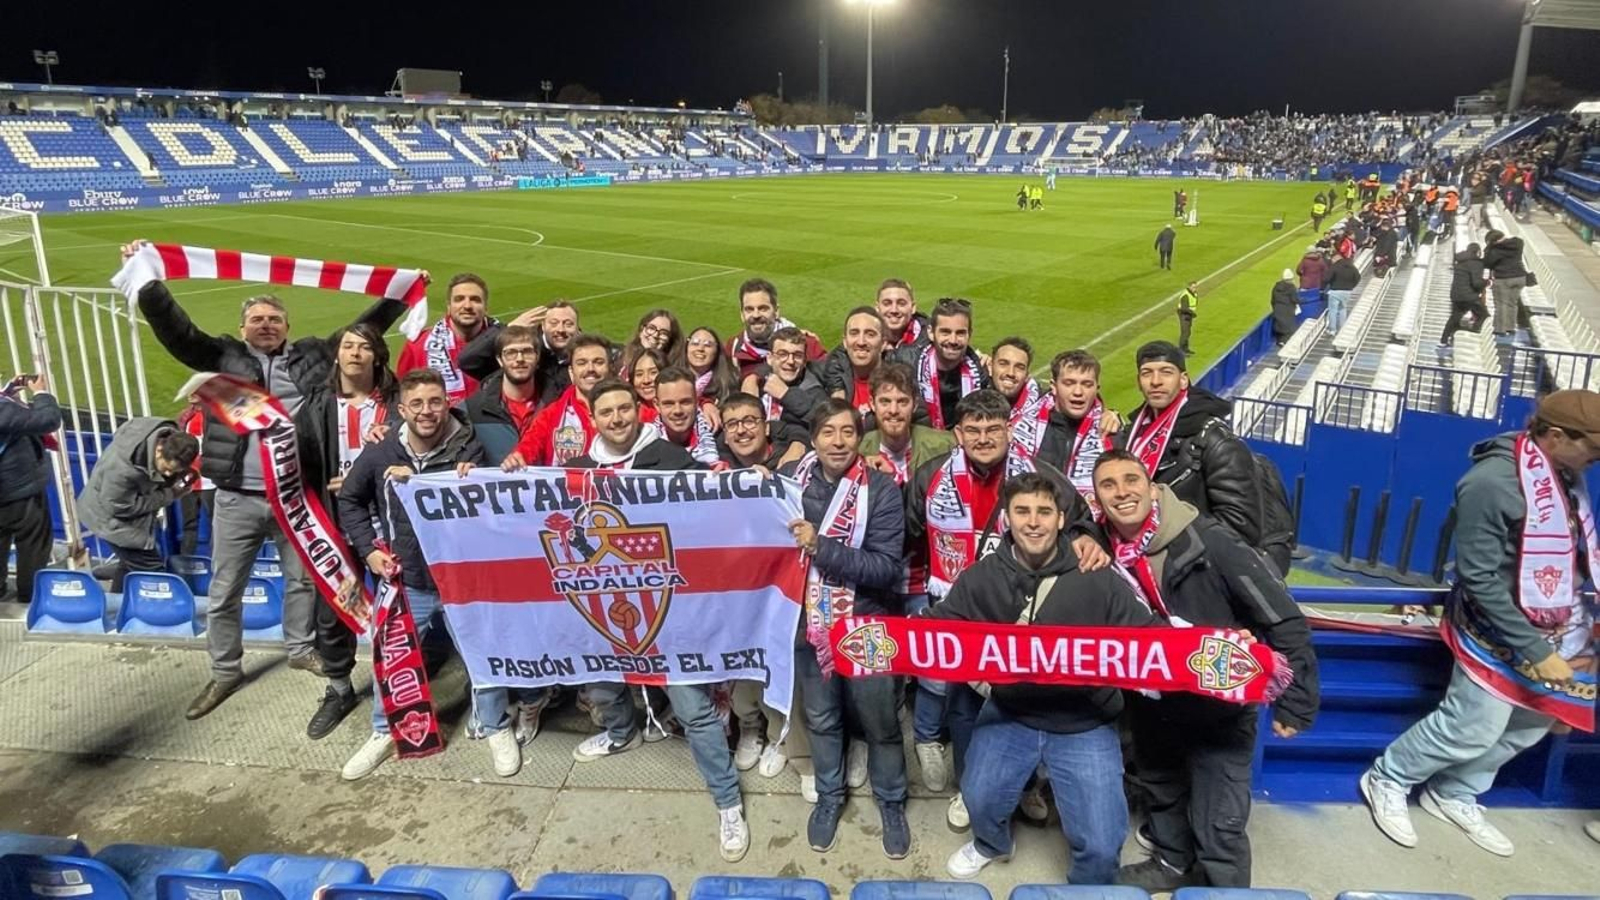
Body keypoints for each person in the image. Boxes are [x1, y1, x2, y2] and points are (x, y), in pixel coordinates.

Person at [129, 245, 414, 719]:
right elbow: (175, 331)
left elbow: (364, 333)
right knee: (225, 591)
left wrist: (400, 295)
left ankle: (302, 650)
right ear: (243, 328)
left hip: (297, 496)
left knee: (303, 581)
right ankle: (224, 673)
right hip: (238, 495)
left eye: (274, 319)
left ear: (287, 326)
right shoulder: (221, 355)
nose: (266, 325)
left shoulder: (310, 358)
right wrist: (149, 284)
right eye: (257, 319)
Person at [1361, 391, 1600, 859]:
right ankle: (1388, 777)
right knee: (1471, 727)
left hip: (1560, 625)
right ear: (1556, 436)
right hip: (1496, 630)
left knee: (1530, 724)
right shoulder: (1492, 482)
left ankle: (1454, 792)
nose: (1596, 459)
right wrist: (1535, 649)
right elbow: (1477, 577)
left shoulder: (1567, 471)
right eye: (1593, 448)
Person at [1094, 450, 1319, 889]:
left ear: (1151, 486)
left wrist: (1297, 701)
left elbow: (1282, 615)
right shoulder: (1103, 548)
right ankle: (1172, 864)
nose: (1122, 492)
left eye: (1130, 480)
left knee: (1219, 821)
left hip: (1220, 708)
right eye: (1109, 485)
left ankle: (1224, 888)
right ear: (1097, 499)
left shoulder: (1210, 540)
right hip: (1154, 704)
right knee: (1162, 790)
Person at [933, 472, 1158, 884]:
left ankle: (1088, 888)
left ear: (1060, 520)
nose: (1033, 521)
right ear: (1007, 519)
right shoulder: (980, 577)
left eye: (1043, 512)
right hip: (1010, 712)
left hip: (1085, 721)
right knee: (978, 799)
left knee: (1105, 842)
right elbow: (934, 628)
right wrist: (884, 635)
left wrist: (1207, 647)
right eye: (1022, 511)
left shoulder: (1099, 576)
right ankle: (992, 845)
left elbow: (1149, 636)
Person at [565, 380, 752, 863]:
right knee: (604, 686)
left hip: (667, 611)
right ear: (593, 417)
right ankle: (621, 732)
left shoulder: (669, 457)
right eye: (606, 411)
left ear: (638, 409)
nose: (617, 418)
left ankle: (728, 801)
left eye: (625, 408)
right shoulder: (576, 471)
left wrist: (724, 476)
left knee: (692, 708)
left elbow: (713, 502)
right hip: (604, 605)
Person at [338, 369, 491, 780]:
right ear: (402, 409)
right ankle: (382, 730)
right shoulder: (381, 451)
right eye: (417, 404)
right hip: (410, 579)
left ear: (447, 402)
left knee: (481, 653)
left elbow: (480, 508)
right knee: (391, 657)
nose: (427, 411)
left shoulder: (469, 446)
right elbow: (349, 500)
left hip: (461, 578)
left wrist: (440, 481)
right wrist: (368, 550)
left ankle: (494, 725)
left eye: (435, 401)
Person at [780, 398, 910, 859]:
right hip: (809, 625)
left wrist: (821, 547)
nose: (838, 442)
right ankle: (830, 796)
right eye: (828, 432)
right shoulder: (788, 487)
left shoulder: (882, 489)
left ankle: (892, 801)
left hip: (867, 622)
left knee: (880, 722)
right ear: (813, 437)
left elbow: (885, 570)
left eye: (848, 432)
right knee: (821, 718)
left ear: (861, 437)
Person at [294, 322, 401, 741]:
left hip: (389, 519)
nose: (356, 353)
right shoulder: (315, 405)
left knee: (399, 604)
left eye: (365, 347)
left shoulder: (397, 403)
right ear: (336, 355)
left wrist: (365, 477)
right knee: (334, 606)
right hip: (336, 520)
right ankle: (339, 687)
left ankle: (400, 680)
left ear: (378, 356)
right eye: (348, 346)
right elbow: (298, 462)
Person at [1120, 342, 1264, 553]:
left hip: (1188, 567)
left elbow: (1241, 527)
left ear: (1184, 380)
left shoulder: (1216, 440)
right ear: (1139, 382)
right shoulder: (1132, 432)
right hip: (1140, 556)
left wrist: (1179, 556)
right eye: (1146, 373)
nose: (1155, 381)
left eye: (1166, 372)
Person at [76, 420, 199, 592]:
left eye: (174, 471)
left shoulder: (164, 435)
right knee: (153, 571)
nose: (169, 475)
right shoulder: (121, 471)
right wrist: (171, 494)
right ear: (158, 450)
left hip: (116, 511)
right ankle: (164, 615)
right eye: (167, 469)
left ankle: (121, 610)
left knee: (128, 568)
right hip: (109, 518)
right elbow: (120, 508)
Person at [504, 334, 613, 468]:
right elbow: (530, 445)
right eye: (582, 363)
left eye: (598, 362)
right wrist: (517, 457)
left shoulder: (628, 409)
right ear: (571, 372)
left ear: (610, 369)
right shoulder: (551, 414)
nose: (590, 369)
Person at [1030, 350, 1120, 508]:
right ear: (1054, 386)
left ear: (1096, 388)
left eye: (1087, 384)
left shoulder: (1110, 433)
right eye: (1069, 383)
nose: (1078, 392)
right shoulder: (1027, 426)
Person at [0, 373, 59, 604]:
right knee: (34, 542)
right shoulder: (4, 412)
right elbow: (49, 419)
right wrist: (41, 392)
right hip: (18, 492)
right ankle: (30, 596)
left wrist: (8, 393)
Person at [396, 273, 496, 406]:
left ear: (486, 307)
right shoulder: (419, 346)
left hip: (491, 422)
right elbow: (401, 394)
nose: (467, 306)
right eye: (459, 299)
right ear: (449, 306)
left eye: (475, 299)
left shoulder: (504, 342)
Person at [893, 298, 990, 430]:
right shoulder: (904, 362)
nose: (953, 340)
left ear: (969, 335)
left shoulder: (979, 372)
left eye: (960, 333)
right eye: (945, 332)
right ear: (931, 333)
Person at [460, 301, 581, 406]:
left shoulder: (585, 355)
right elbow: (468, 361)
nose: (560, 330)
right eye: (553, 323)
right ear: (543, 326)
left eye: (568, 324)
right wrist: (508, 328)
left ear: (577, 328)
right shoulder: (521, 351)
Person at [464, 325, 545, 465]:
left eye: (527, 352)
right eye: (511, 353)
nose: (520, 359)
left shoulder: (558, 405)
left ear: (537, 357)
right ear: (500, 360)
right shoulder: (470, 410)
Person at [743, 327, 829, 450]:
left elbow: (826, 423)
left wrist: (787, 395)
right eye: (782, 354)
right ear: (769, 358)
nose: (790, 361)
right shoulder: (756, 383)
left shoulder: (814, 392)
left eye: (797, 355)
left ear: (805, 361)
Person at [726, 279, 825, 380]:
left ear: (776, 311)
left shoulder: (807, 344)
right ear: (742, 314)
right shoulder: (732, 348)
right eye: (749, 309)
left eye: (763, 308)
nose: (756, 315)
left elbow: (831, 381)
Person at [654, 367, 721, 467]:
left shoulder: (719, 437)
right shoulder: (643, 445)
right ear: (656, 405)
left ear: (697, 402)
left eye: (685, 402)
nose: (678, 410)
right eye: (669, 404)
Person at [1440, 244, 1489, 349]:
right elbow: (1476, 283)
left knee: (1455, 317)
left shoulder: (1460, 261)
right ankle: (1474, 334)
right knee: (1484, 316)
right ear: (1478, 252)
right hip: (1469, 296)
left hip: (1456, 295)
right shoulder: (1476, 264)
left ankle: (1444, 340)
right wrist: (1486, 282)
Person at [1482, 229, 1528, 337]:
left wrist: (1489, 248)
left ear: (1493, 241)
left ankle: (1500, 329)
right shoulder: (1517, 243)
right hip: (1519, 277)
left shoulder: (1495, 250)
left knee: (1501, 304)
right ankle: (1510, 327)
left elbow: (1487, 263)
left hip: (1504, 278)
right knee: (1512, 303)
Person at [618, 308, 683, 378]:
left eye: (663, 333)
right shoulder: (621, 358)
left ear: (670, 340)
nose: (655, 335)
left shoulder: (675, 370)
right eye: (651, 328)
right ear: (641, 330)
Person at [876, 278, 929, 350]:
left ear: (913, 308)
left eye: (901, 304)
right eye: (887, 303)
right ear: (877, 308)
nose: (894, 310)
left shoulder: (930, 340)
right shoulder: (864, 339)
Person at [1326, 253, 1360, 335]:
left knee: (1333, 310)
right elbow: (1358, 277)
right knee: (1343, 309)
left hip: (1335, 291)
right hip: (1347, 291)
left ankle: (1332, 329)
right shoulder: (1351, 267)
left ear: (1334, 259)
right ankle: (1342, 329)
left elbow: (1326, 278)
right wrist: (1351, 286)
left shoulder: (1334, 267)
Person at [1270, 269, 1299, 347]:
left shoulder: (1276, 286)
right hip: (1287, 310)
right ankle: (1283, 342)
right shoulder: (1291, 287)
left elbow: (1272, 299)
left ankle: (1279, 341)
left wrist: (1275, 307)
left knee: (1279, 326)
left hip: (1278, 308)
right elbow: (1294, 299)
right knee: (1289, 328)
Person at [1177, 282, 1199, 355]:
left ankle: (1185, 349)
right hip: (1184, 315)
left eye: (1195, 287)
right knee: (1185, 333)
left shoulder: (1194, 294)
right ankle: (1181, 351)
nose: (1194, 289)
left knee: (1188, 332)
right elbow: (1184, 308)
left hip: (1189, 314)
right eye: (1193, 287)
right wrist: (1193, 314)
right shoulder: (1185, 295)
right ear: (1189, 287)